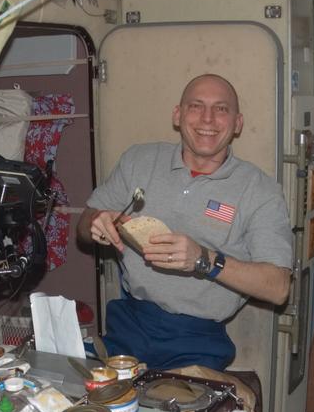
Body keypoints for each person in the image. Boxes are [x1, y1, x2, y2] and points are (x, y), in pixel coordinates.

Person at [77, 74, 293, 370]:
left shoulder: (260, 191)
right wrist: (96, 222)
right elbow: (84, 223)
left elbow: (278, 287)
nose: (207, 119)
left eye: (221, 109)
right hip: (127, 326)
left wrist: (203, 260)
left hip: (197, 341)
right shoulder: (139, 160)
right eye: (196, 106)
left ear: (238, 123)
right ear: (178, 116)